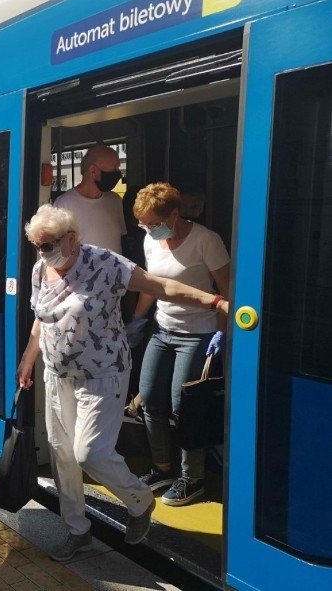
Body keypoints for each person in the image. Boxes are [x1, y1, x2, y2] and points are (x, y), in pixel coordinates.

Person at [15, 204, 229, 560]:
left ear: (71, 238)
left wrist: (215, 301)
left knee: (90, 453)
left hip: (104, 373)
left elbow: (159, 285)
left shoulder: (106, 263)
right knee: (63, 456)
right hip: (57, 375)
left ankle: (140, 501)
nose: (42, 252)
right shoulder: (41, 269)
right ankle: (77, 531)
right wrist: (28, 358)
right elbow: (42, 319)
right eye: (37, 245)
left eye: (47, 244)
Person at [127, 182, 230, 506]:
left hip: (199, 333)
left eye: (153, 223)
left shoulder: (206, 241)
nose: (148, 229)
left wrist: (222, 334)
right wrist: (137, 321)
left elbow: (227, 290)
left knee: (184, 407)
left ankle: (193, 478)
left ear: (174, 215)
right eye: (143, 224)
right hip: (163, 329)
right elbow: (151, 285)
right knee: (151, 400)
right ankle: (162, 469)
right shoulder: (150, 240)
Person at [53, 145, 126, 252]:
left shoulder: (115, 200)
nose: (118, 173)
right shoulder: (64, 204)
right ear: (93, 171)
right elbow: (57, 249)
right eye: (114, 168)